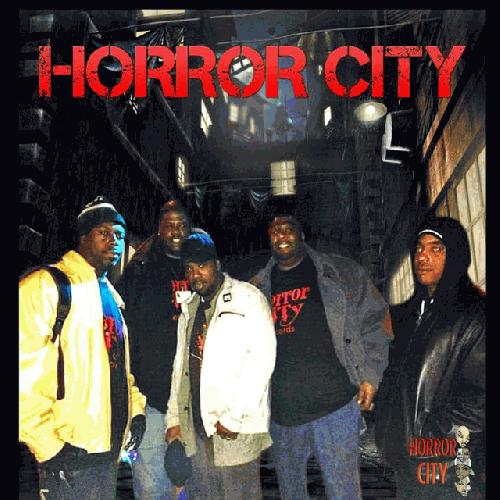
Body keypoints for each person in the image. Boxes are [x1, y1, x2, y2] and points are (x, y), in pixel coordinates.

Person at [251, 214, 391, 499]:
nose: (281, 236)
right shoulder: (255, 289)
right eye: (275, 231)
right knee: (291, 494)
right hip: (283, 416)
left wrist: (370, 375)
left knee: (344, 493)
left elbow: (375, 321)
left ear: (301, 234)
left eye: (288, 229)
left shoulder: (340, 272)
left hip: (335, 407)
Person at [19, 196, 146, 499]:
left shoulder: (111, 297)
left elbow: (117, 367)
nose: (114, 241)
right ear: (83, 237)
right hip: (68, 454)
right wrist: (48, 446)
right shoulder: (46, 286)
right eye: (104, 233)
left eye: (119, 235)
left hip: (106, 453)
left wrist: (136, 410)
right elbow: (22, 370)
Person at [375, 217, 486, 499]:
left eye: (436, 249)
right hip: (410, 465)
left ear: (456, 255)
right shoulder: (412, 314)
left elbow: (478, 401)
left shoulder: (475, 314)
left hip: (449, 469)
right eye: (419, 248)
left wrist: (429, 440)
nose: (422, 257)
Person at [165, 232, 276, 499]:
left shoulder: (247, 298)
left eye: (202, 266)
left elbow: (262, 361)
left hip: (234, 430)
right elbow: (181, 368)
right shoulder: (189, 307)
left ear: (216, 264)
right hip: (197, 430)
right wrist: (174, 419)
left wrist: (233, 417)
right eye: (189, 268)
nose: (195, 274)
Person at [115, 199, 192, 499]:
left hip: (191, 398)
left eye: (181, 225)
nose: (176, 231)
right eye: (169, 225)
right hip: (150, 396)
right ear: (159, 229)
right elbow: (121, 325)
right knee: (150, 485)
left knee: (191, 483)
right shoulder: (141, 269)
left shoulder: (200, 265)